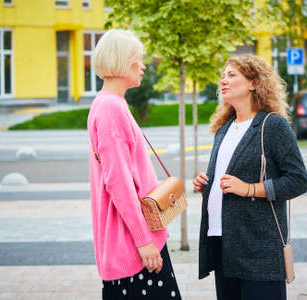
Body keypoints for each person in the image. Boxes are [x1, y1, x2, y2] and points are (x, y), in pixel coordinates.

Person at [193, 54, 307, 300]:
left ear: (254, 83)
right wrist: (207, 185)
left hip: (260, 250)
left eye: (232, 75)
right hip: (224, 244)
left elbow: (298, 180)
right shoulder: (223, 129)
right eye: (222, 76)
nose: (223, 81)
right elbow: (228, 181)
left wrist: (250, 189)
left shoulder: (273, 125)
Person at [88, 29, 182, 300]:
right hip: (132, 245)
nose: (142, 66)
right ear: (120, 61)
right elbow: (118, 183)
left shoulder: (110, 103)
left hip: (131, 240)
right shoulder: (110, 108)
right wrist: (144, 241)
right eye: (136, 59)